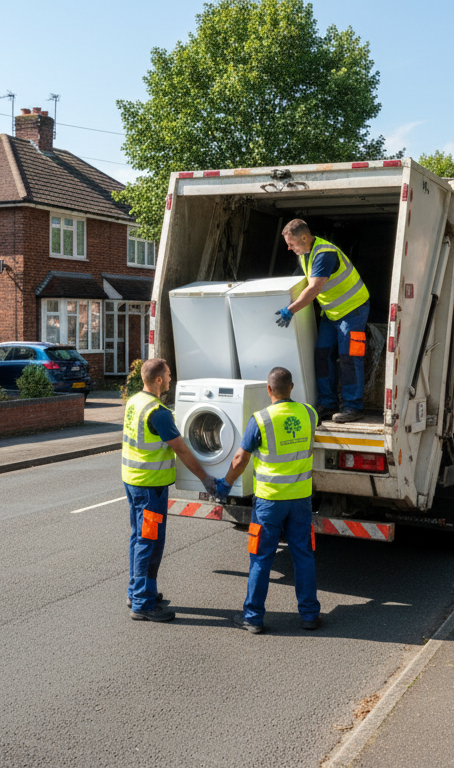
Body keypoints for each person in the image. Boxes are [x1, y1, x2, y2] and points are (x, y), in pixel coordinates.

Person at [214, 367, 322, 634]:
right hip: (300, 499)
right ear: (292, 387)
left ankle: (253, 618)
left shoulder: (260, 419)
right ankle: (309, 615)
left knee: (261, 558)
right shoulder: (309, 413)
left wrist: (225, 484)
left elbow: (240, 459)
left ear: (268, 389)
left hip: (269, 502)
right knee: (303, 556)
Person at [122, 358, 217, 623]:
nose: (171, 378)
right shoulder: (158, 412)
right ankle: (142, 603)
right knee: (149, 542)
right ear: (160, 380)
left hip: (133, 480)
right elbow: (182, 449)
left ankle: (137, 592)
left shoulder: (135, 402)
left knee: (139, 538)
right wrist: (205, 478)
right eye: (169, 374)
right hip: (150, 486)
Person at [274, 219, 370, 424]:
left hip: (354, 310)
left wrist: (290, 310)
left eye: (291, 243)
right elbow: (300, 281)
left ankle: (354, 407)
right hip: (332, 312)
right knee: (321, 355)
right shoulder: (305, 254)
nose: (289, 248)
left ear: (305, 237)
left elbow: (314, 288)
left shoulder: (324, 254)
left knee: (349, 358)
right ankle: (328, 404)